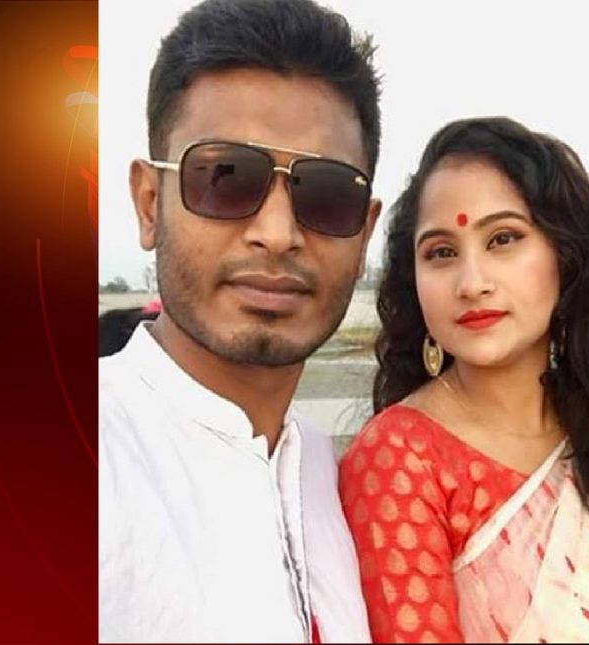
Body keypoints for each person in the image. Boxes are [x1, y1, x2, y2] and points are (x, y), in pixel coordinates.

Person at [98, 0, 382, 641]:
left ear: (365, 233)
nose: (278, 233)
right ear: (149, 203)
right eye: (223, 177)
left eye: (326, 193)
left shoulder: (328, 473)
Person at [338, 117, 589, 643]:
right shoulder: (400, 459)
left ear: (566, 257)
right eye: (441, 252)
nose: (472, 283)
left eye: (503, 239)